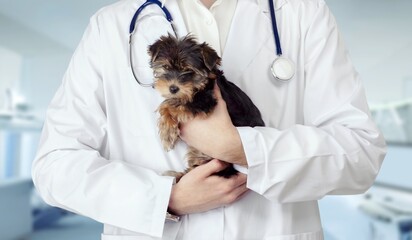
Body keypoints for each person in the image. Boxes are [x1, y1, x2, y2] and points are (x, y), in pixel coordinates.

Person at [31, 0, 387, 239]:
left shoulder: (302, 13)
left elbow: (361, 153)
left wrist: (242, 148)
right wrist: (163, 200)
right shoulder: (112, 25)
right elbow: (55, 165)